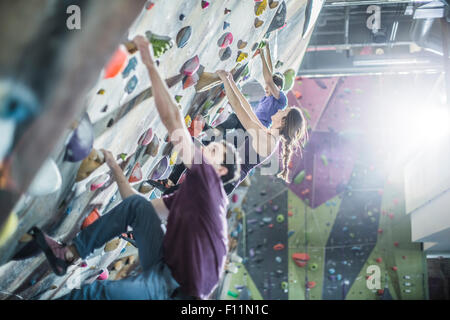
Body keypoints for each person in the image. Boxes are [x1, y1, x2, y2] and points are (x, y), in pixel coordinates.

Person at [32, 35, 241, 300]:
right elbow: (137, 207)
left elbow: (174, 120)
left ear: (221, 170)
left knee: (99, 293)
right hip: (167, 266)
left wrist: (150, 64)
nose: (203, 148)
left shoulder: (210, 185)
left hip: (177, 293)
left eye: (212, 151)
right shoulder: (194, 195)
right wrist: (115, 169)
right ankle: (67, 255)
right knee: (138, 208)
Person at [147, 41, 289, 194]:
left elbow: (246, 101)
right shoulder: (267, 128)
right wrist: (231, 82)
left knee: (211, 140)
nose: (280, 111)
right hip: (232, 158)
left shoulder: (280, 101)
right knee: (201, 145)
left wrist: (262, 54)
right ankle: (171, 184)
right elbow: (246, 108)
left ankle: (173, 188)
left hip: (230, 171)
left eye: (283, 113)